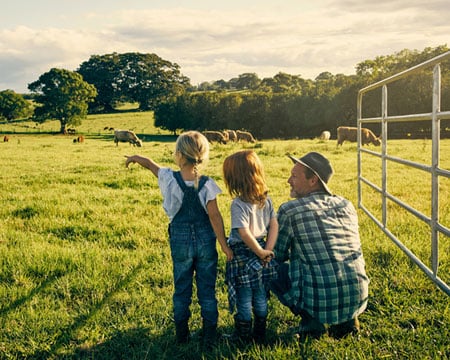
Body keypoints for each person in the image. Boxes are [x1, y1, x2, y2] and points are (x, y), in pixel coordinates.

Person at [125, 131, 233, 346]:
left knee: (182, 287)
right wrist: (224, 245)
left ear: (179, 155)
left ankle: (182, 335)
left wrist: (135, 158)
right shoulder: (207, 184)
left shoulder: (168, 177)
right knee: (207, 289)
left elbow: (150, 165)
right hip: (205, 240)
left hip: (180, 240)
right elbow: (214, 216)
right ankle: (210, 335)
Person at [271, 152, 369, 339]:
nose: (288, 180)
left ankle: (311, 320)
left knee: (267, 266)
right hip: (358, 298)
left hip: (320, 303)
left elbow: (276, 254)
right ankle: (347, 321)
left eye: (294, 176)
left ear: (313, 180)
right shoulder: (345, 204)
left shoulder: (289, 210)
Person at [222, 150, 278, 343]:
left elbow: (244, 233)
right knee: (261, 294)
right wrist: (266, 250)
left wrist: (260, 252)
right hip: (262, 250)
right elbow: (274, 225)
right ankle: (260, 333)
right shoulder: (267, 199)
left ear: (236, 179)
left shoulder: (238, 204)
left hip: (244, 254)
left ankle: (243, 335)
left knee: (244, 297)